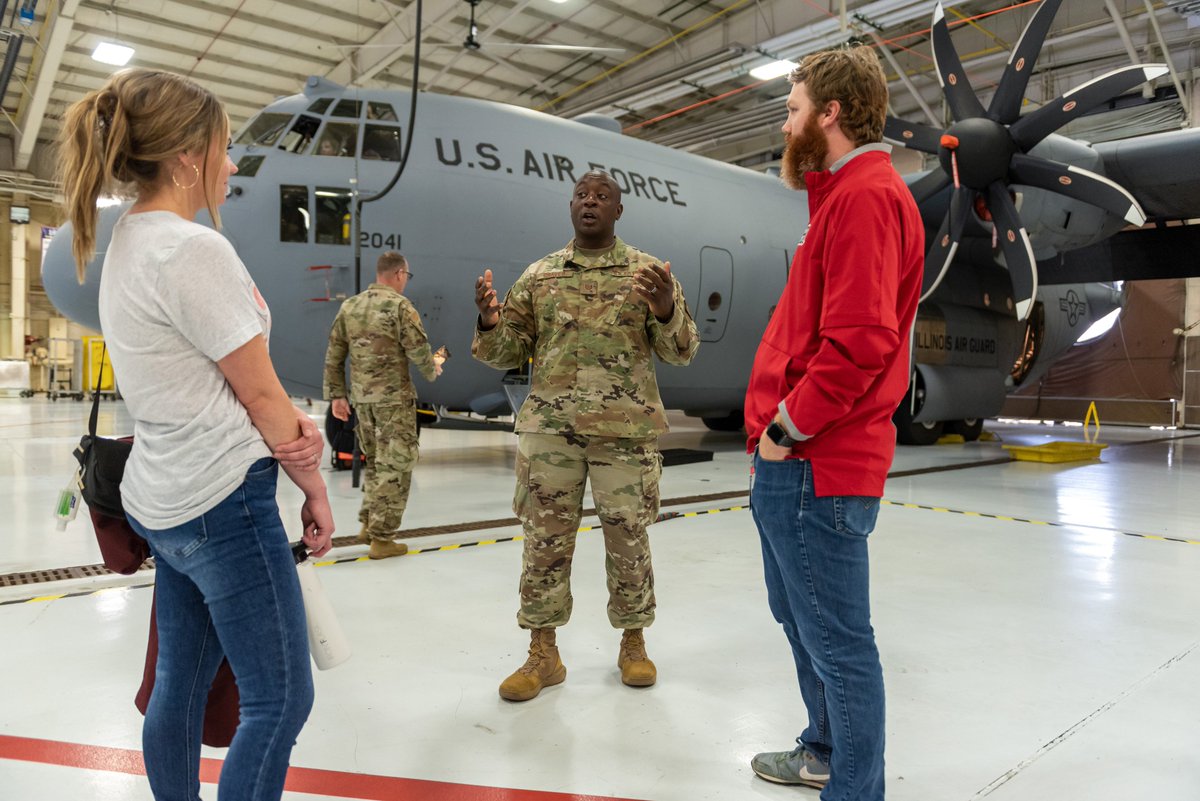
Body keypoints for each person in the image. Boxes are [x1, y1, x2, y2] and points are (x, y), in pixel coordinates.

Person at [58, 68, 334, 801]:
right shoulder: (192, 250)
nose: (233, 164)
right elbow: (263, 395)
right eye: (225, 147)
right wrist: (314, 485)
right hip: (224, 502)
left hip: (164, 500)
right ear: (186, 157)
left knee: (178, 686)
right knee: (279, 699)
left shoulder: (127, 244)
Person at [742, 47, 924, 800]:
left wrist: (786, 430)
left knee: (841, 645)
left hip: (817, 464)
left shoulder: (864, 197)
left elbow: (860, 341)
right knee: (803, 623)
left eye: (791, 109)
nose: (785, 126)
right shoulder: (841, 198)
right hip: (795, 467)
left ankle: (855, 788)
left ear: (831, 113)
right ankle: (823, 748)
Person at [472, 170, 699, 701]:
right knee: (544, 542)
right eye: (581, 196)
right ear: (570, 208)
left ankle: (634, 642)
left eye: (602, 197)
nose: (590, 202)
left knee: (628, 539)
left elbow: (682, 350)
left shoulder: (648, 274)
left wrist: (666, 310)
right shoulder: (540, 275)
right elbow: (504, 354)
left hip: (624, 432)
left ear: (618, 211)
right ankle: (542, 653)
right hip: (551, 432)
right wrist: (487, 321)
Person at [324, 251, 445, 560]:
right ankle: (383, 538)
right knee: (397, 465)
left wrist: (337, 396)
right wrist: (433, 367)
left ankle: (368, 524)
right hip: (394, 401)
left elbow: (334, 355)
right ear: (400, 274)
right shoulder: (400, 307)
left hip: (362, 401)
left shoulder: (350, 306)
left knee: (377, 463)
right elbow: (419, 350)